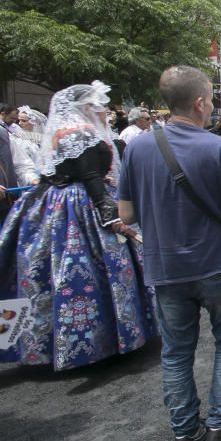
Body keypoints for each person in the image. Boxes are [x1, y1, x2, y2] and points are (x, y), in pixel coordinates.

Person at [118, 65, 221, 441]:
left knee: (176, 352)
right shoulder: (219, 148)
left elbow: (125, 214)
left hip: (165, 267)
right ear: (199, 103)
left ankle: (184, 435)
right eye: (211, 99)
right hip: (217, 265)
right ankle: (220, 427)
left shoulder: (139, 147)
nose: (212, 106)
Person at [0, 82, 157, 372]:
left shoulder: (62, 133)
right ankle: (100, 338)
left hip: (55, 202)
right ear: (83, 107)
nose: (103, 111)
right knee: (93, 268)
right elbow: (89, 178)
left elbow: (58, 172)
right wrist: (113, 217)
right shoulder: (80, 133)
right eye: (97, 106)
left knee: (51, 270)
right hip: (81, 205)